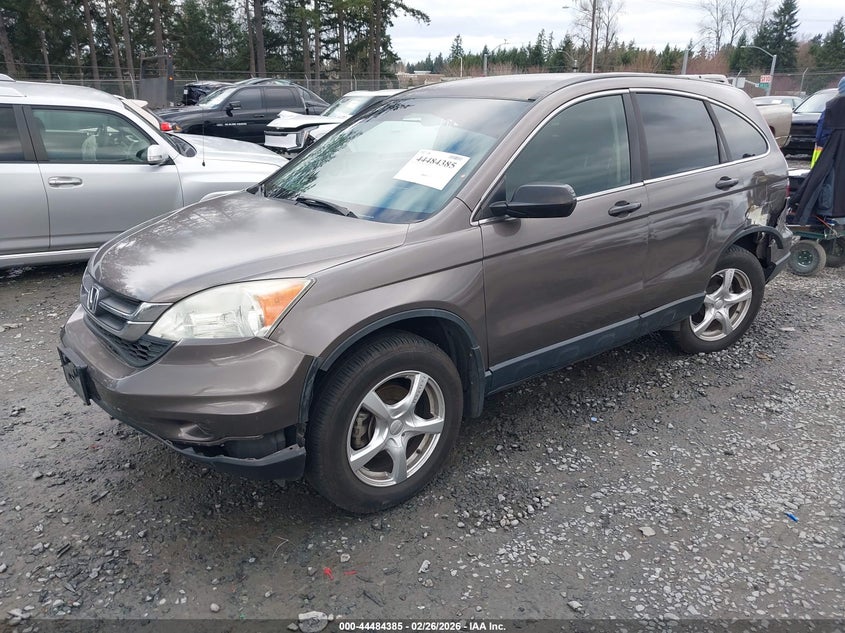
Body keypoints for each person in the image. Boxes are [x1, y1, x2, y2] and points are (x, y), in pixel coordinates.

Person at [792, 77, 845, 223]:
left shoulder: (831, 108)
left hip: (829, 162)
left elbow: (821, 136)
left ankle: (823, 219)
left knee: (825, 186)